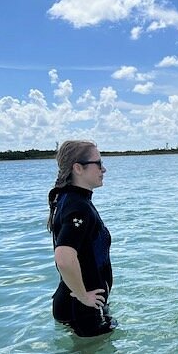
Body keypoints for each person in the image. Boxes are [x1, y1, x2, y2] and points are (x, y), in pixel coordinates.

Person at [47, 140, 116, 337]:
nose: (104, 169)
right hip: (81, 308)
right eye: (98, 164)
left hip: (80, 305)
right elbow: (64, 258)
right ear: (78, 168)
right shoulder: (78, 207)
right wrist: (83, 296)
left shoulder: (69, 199)